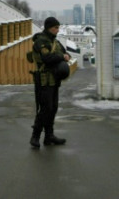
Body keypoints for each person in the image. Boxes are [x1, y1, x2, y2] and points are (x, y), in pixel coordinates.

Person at [30, 16, 70, 148]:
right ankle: (35, 136)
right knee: (45, 109)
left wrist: (66, 56)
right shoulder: (40, 41)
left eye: (58, 27)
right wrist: (61, 57)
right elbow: (47, 58)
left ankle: (49, 136)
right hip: (43, 80)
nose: (57, 30)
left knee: (53, 108)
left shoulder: (55, 42)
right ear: (48, 28)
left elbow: (65, 53)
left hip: (54, 80)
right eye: (55, 28)